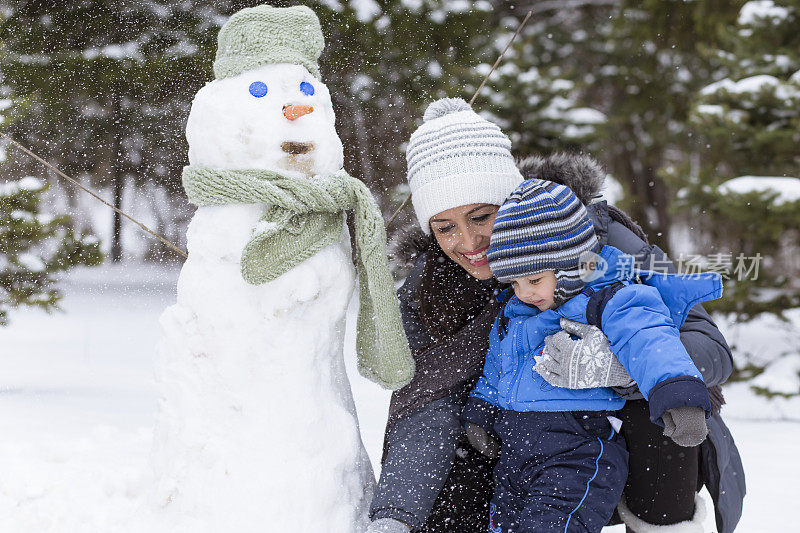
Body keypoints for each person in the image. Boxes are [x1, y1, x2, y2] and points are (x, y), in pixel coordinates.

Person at [367, 98, 744, 533]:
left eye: (481, 216)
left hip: (609, 442)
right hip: (513, 448)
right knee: (451, 467)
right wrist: (397, 512)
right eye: (445, 226)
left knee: (659, 405)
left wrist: (619, 367)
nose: (468, 242)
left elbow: (710, 347)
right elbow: (428, 402)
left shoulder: (595, 241)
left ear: (507, 202)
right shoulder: (432, 285)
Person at [460, 177, 718, 532]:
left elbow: (651, 340)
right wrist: (483, 407)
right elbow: (499, 366)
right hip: (518, 456)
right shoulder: (519, 311)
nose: (523, 293)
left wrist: (678, 394)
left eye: (533, 280)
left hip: (576, 457)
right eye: (514, 283)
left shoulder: (612, 298)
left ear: (569, 264)